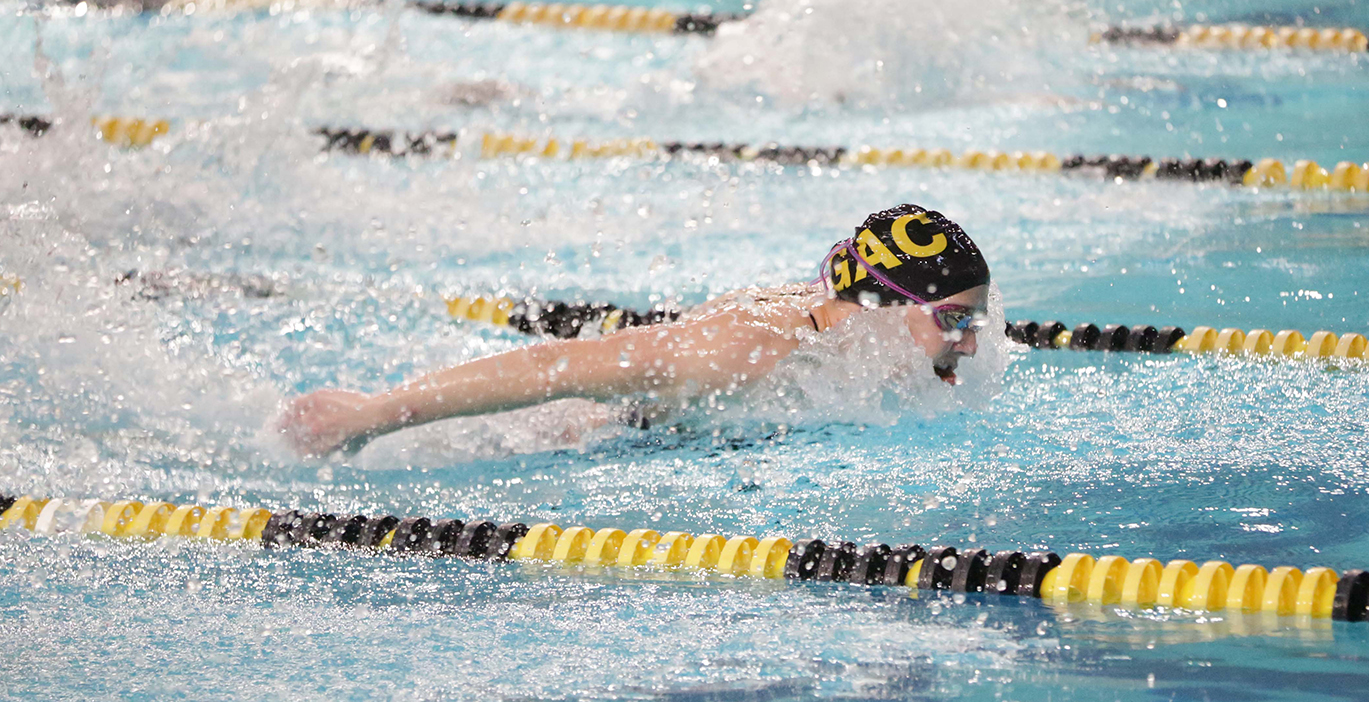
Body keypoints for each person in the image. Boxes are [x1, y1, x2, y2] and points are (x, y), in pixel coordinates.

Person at [276, 204, 992, 457]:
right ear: (886, 306)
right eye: (955, 320)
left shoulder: (842, 327)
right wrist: (372, 414)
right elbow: (550, 369)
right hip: (575, 434)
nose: (969, 342)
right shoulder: (741, 353)